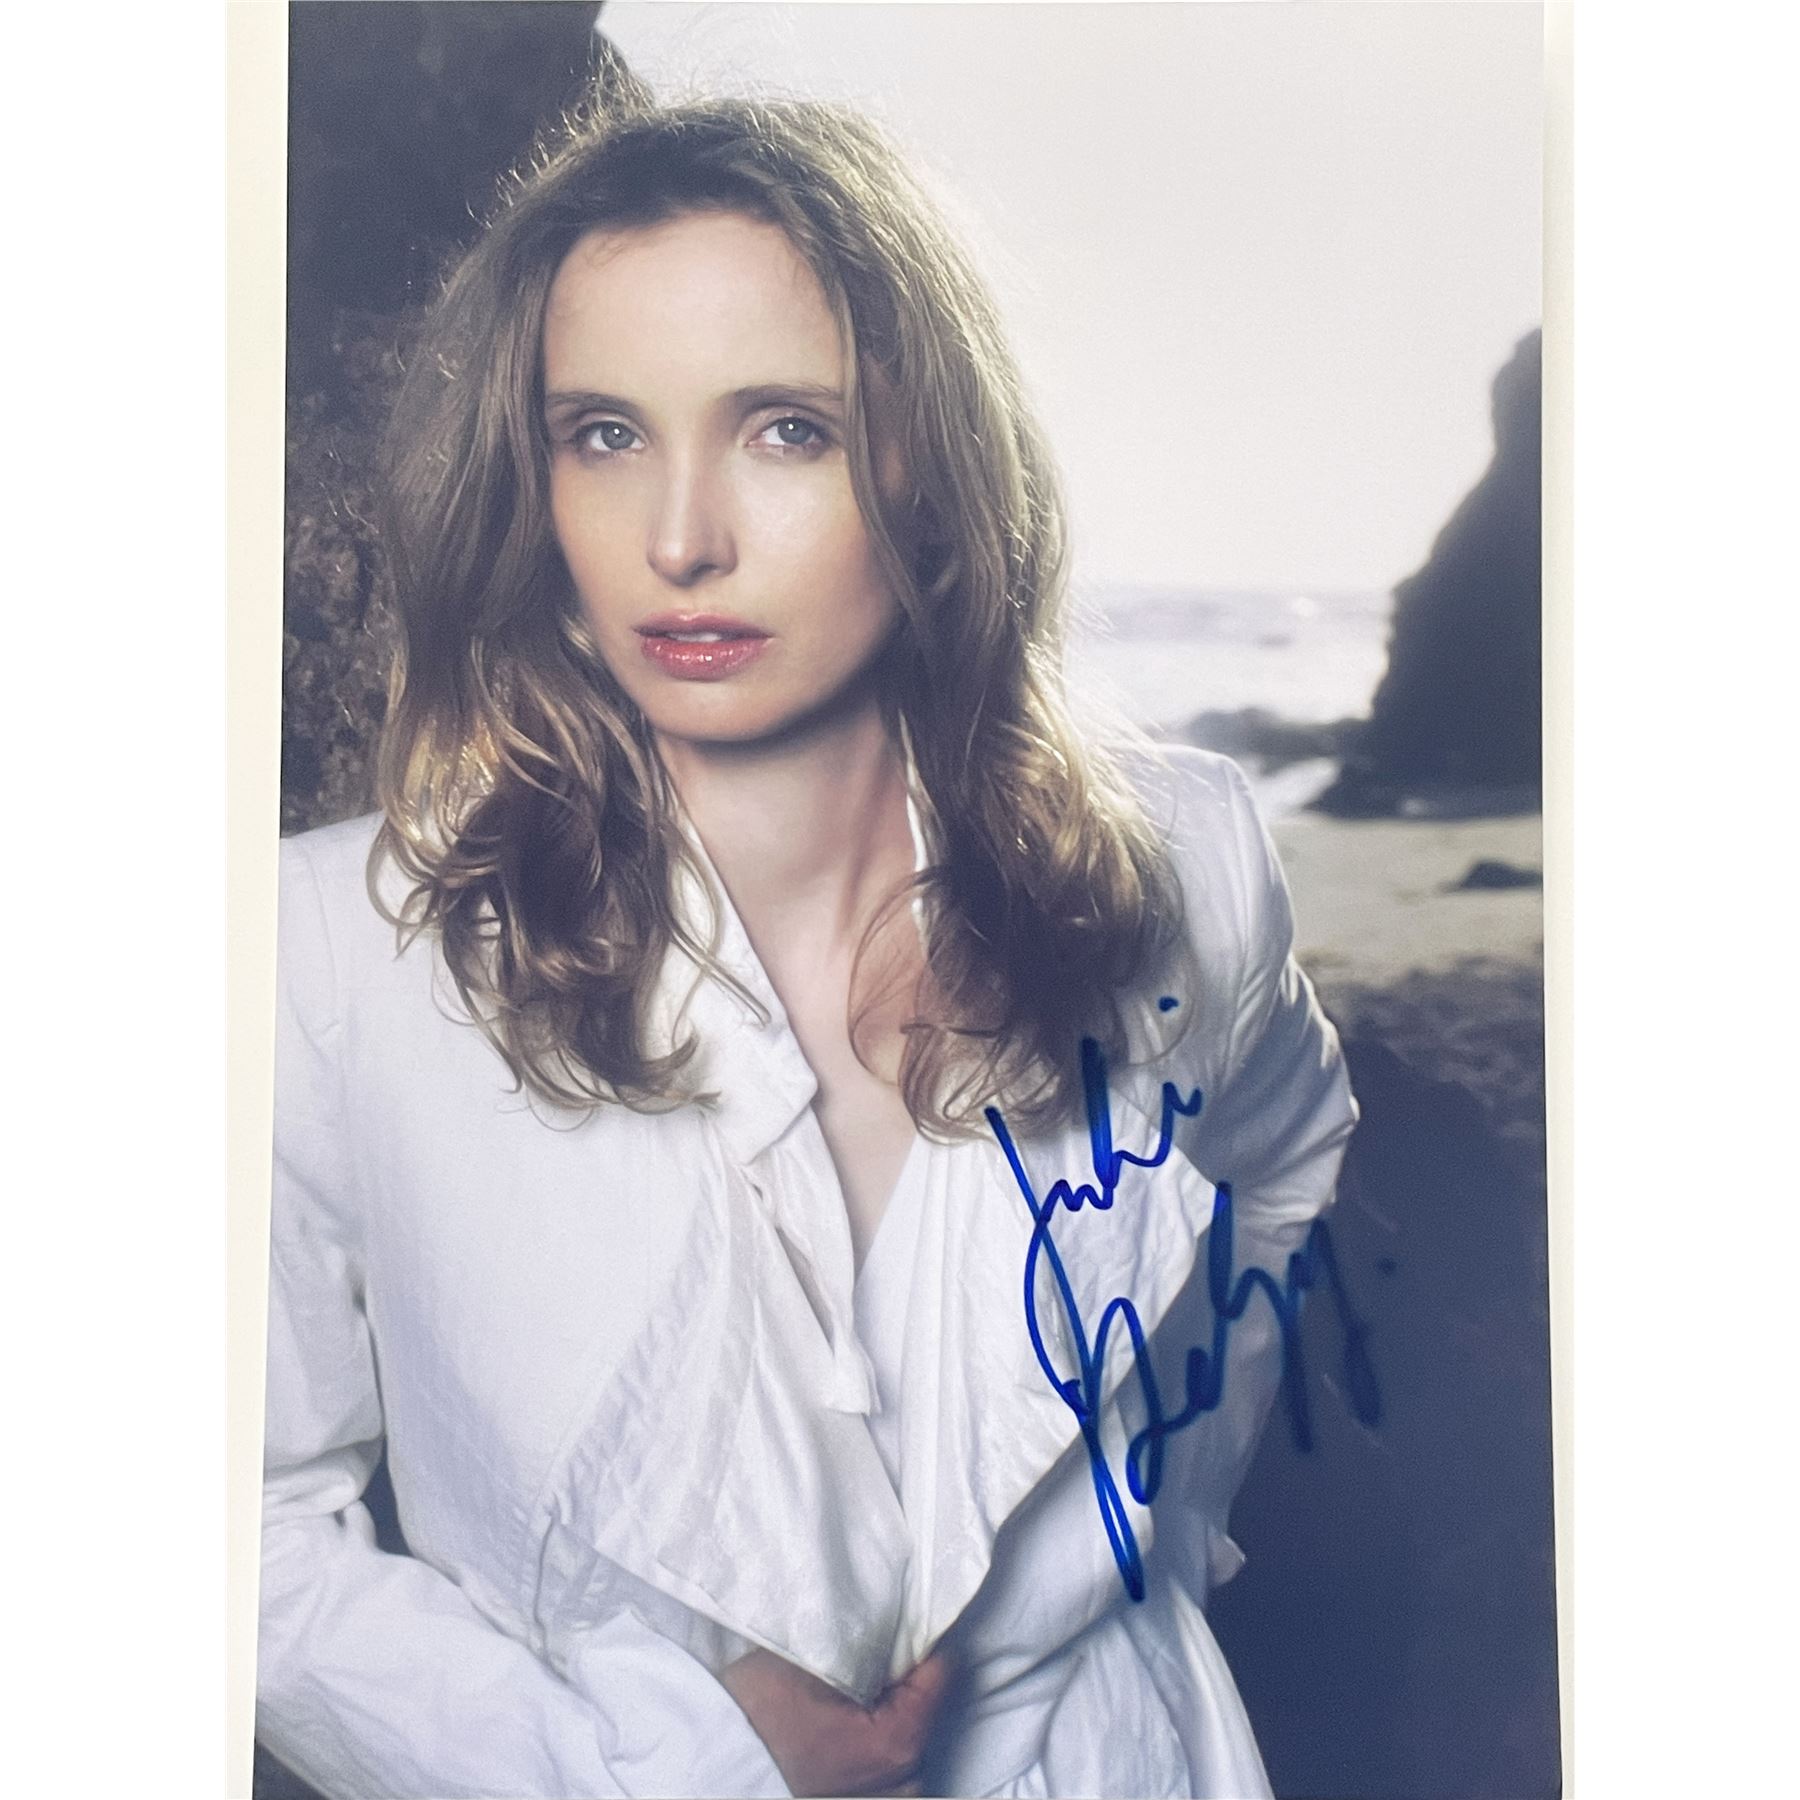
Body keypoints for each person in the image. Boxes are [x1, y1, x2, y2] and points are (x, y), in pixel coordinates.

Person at [258, 84, 1358, 1800]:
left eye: (785, 429)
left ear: (933, 462)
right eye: (603, 434)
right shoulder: (337, 952)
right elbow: (233, 1530)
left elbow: (1281, 1176)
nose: (679, 538)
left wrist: (1143, 1538)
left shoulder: (1184, 867)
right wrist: (657, 1768)